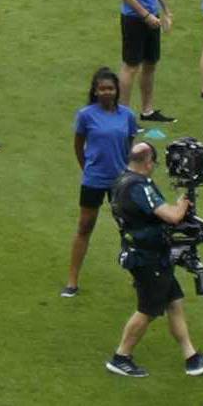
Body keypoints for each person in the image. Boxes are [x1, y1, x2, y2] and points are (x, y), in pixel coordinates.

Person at [104, 140, 203, 379]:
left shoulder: (120, 180)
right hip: (148, 258)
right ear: (147, 163)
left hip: (143, 252)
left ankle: (192, 357)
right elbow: (172, 216)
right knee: (147, 310)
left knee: (174, 302)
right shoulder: (139, 186)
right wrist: (182, 204)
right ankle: (121, 356)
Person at [64, 68, 139, 297]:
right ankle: (72, 280)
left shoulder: (127, 116)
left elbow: (129, 145)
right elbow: (79, 145)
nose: (107, 92)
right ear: (95, 91)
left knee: (128, 229)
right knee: (85, 226)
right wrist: (86, 167)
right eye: (102, 89)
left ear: (117, 90)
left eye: (111, 88)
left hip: (120, 181)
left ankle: (137, 276)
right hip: (94, 180)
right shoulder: (86, 115)